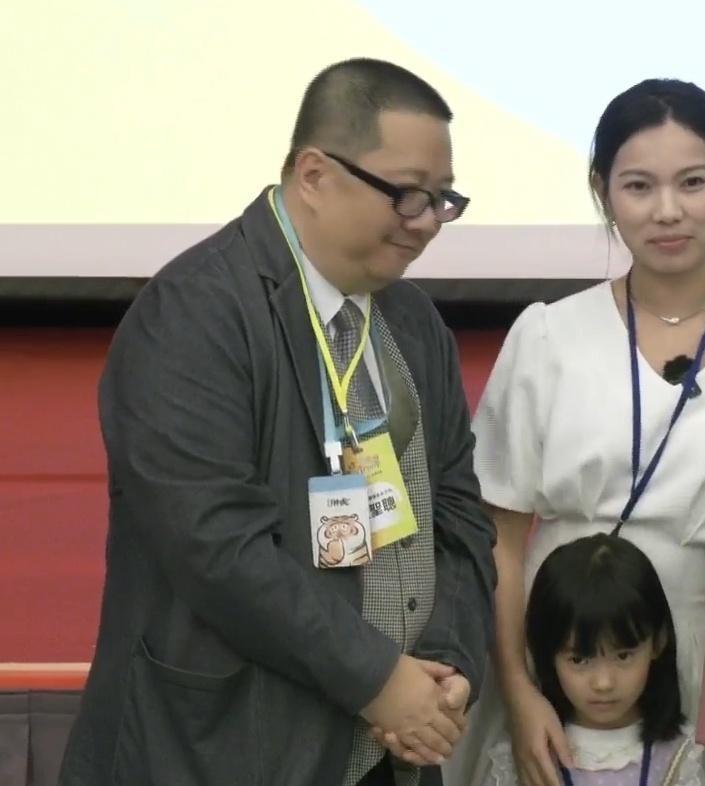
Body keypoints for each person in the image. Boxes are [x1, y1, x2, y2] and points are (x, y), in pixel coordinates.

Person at [57, 58, 497, 786]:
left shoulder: (414, 322)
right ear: (315, 175)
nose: (426, 222)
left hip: (395, 745)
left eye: (442, 199)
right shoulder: (195, 311)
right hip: (225, 751)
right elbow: (217, 547)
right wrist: (377, 679)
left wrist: (446, 666)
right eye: (406, 194)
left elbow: (457, 514)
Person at [443, 78, 705, 786]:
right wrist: (520, 688)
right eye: (638, 187)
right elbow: (498, 538)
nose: (667, 211)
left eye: (692, 182)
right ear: (602, 193)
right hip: (561, 652)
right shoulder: (546, 336)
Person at [483, 533, 705, 786]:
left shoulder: (677, 756)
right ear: (547, 652)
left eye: (623, 656)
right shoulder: (532, 750)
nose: (603, 683)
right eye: (579, 660)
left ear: (658, 642)